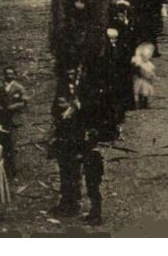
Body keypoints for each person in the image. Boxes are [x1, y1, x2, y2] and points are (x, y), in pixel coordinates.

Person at [50, 68, 84, 218]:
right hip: (63, 139)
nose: (71, 77)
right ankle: (65, 202)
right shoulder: (62, 90)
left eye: (73, 74)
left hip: (77, 140)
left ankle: (74, 203)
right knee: (64, 172)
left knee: (75, 173)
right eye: (68, 74)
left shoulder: (83, 92)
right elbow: (55, 111)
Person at [0, 66, 27, 179]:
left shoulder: (19, 88)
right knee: (2, 145)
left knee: (12, 146)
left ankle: (13, 173)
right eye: (7, 73)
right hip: (2, 120)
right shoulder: (0, 87)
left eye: (11, 74)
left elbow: (24, 102)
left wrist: (14, 106)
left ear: (14, 75)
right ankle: (3, 172)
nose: (8, 76)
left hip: (13, 120)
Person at [82, 128, 104, 224]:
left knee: (94, 195)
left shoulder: (94, 153)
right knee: (92, 194)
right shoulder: (93, 152)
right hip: (91, 177)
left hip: (92, 178)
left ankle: (96, 216)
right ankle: (93, 213)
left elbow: (99, 169)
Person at [131, 42, 156, 109]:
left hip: (146, 80)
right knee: (140, 91)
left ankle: (144, 103)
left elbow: (151, 70)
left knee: (145, 92)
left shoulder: (148, 63)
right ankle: (141, 103)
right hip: (141, 80)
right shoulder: (139, 63)